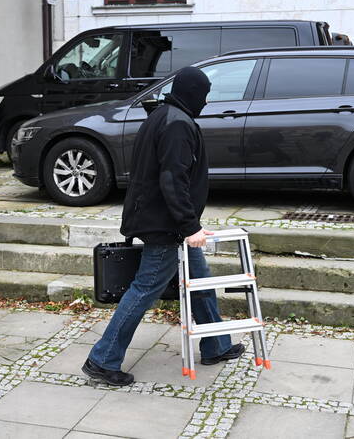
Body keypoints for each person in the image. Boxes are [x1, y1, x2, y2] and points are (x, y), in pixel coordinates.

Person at [82, 66, 244, 386]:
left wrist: (188, 224)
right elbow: (172, 179)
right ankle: (102, 360)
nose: (207, 101)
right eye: (204, 95)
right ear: (192, 94)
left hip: (170, 222)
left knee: (200, 280)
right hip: (166, 226)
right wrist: (189, 226)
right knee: (144, 290)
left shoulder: (166, 115)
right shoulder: (177, 124)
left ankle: (216, 344)